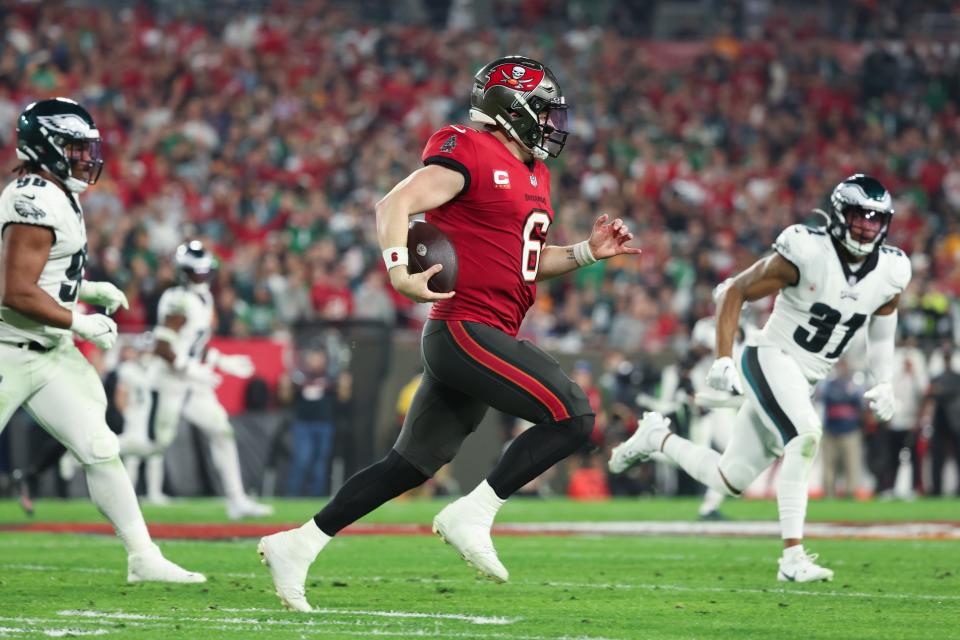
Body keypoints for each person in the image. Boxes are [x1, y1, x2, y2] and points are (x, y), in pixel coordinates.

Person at [258, 55, 641, 611]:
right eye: (542, 111)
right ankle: (473, 512)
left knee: (408, 465)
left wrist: (586, 252)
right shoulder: (470, 147)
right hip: (465, 327)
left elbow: (525, 261)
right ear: (509, 108)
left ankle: (298, 543)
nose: (553, 124)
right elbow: (396, 202)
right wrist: (398, 269)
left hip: (485, 328)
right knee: (574, 416)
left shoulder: (536, 171)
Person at [609, 174, 911, 582]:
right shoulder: (806, 250)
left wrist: (884, 379)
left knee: (729, 478)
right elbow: (735, 290)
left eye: (876, 219)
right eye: (859, 216)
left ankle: (655, 438)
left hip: (804, 377)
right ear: (841, 215)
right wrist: (722, 358)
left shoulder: (892, 270)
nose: (866, 227)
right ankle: (792, 557)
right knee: (805, 436)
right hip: (770, 355)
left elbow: (882, 328)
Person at [0, 98, 204, 583]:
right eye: (74, 147)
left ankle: (142, 557)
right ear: (46, 146)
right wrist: (78, 319)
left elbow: (45, 271)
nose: (85, 157)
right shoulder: (35, 198)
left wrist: (85, 288)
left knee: (99, 445)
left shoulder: (56, 192)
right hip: (9, 348)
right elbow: (15, 291)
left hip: (47, 353)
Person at [149, 240, 273, 519]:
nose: (203, 277)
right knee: (154, 444)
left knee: (222, 433)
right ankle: (92, 453)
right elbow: (162, 346)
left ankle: (236, 500)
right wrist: (188, 368)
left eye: (206, 271)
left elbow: (196, 343)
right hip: (170, 382)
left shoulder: (202, 298)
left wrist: (221, 361)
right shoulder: (179, 300)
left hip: (192, 384)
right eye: (197, 272)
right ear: (184, 272)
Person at [282, 346, 352, 496]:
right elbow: (285, 398)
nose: (316, 361)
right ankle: (292, 498)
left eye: (319, 357)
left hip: (324, 425)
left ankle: (316, 499)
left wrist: (345, 384)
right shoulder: (299, 377)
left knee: (320, 465)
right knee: (301, 460)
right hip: (303, 425)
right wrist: (285, 385)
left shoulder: (330, 377)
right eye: (313, 357)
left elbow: (343, 398)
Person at [818, 359, 866, 498]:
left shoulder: (855, 383)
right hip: (831, 429)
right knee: (829, 465)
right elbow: (823, 397)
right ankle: (829, 493)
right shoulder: (829, 383)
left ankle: (850, 492)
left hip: (850, 429)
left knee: (851, 464)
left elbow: (860, 402)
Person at [922, 341, 960, 496]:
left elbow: (942, 393)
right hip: (940, 421)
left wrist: (939, 391)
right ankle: (936, 489)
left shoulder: (956, 377)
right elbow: (930, 394)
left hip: (956, 422)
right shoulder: (936, 377)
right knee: (937, 458)